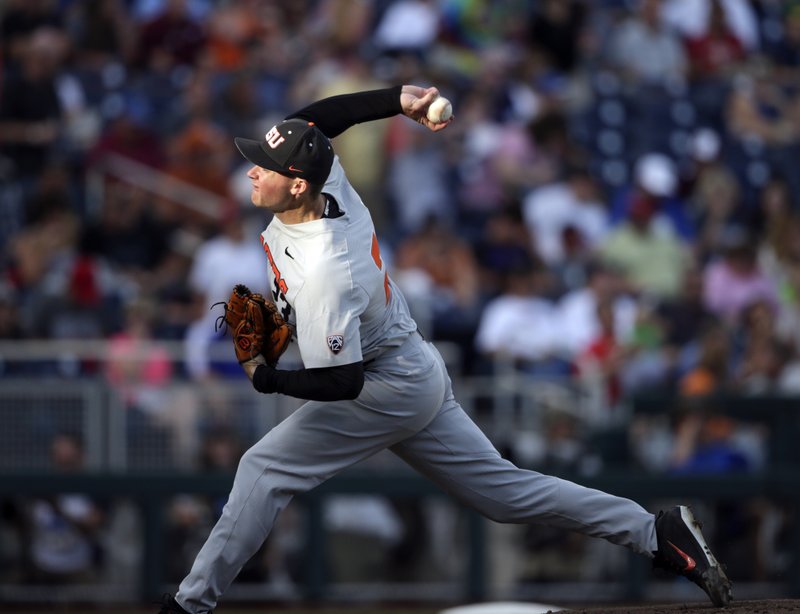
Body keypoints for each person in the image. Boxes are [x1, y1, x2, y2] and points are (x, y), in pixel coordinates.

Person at [157, 85, 732, 613]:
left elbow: (343, 383)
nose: (252, 170)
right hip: (411, 365)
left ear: (298, 183)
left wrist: (266, 378)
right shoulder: (323, 177)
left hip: (385, 382)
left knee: (265, 466)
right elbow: (321, 119)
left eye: (265, 165)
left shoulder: (327, 270)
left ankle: (188, 606)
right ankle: (656, 532)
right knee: (507, 495)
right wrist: (398, 98)